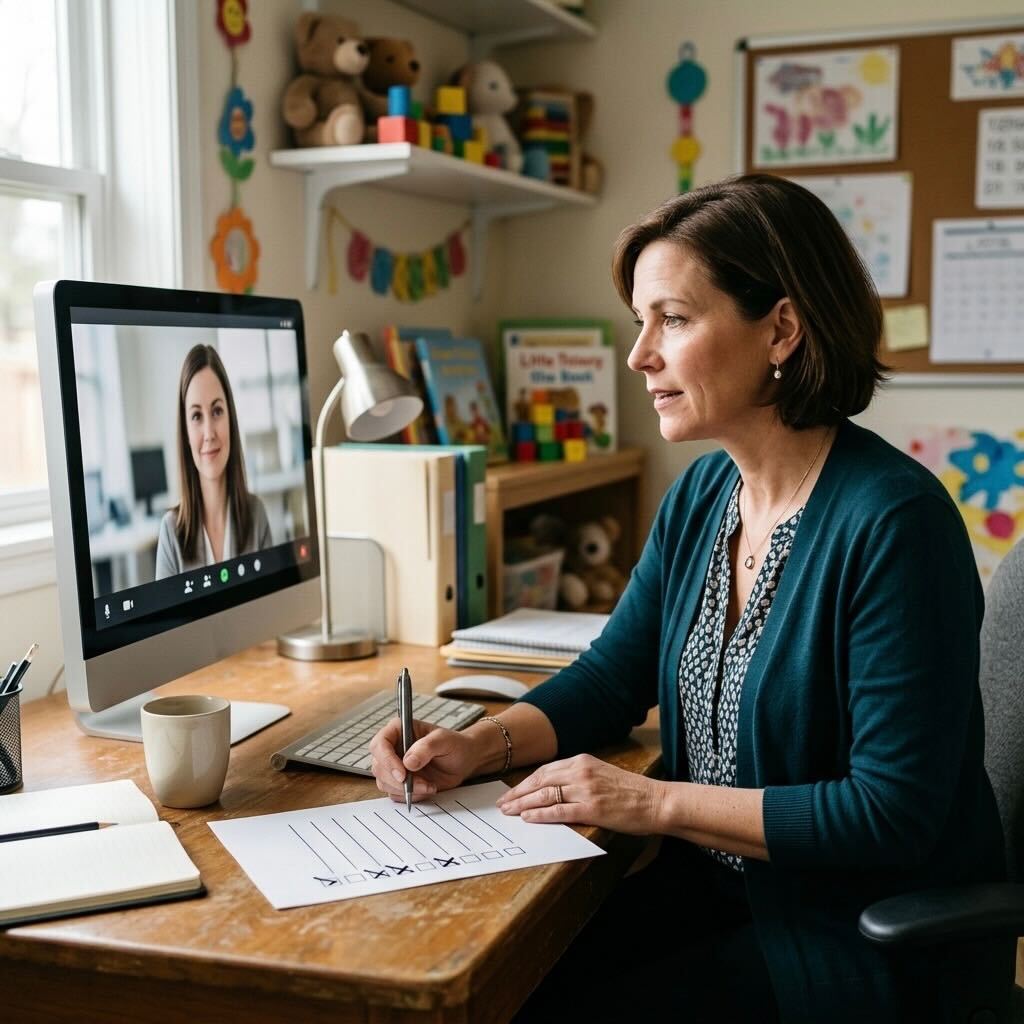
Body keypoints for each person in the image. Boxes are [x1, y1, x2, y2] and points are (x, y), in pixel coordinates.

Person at [368, 175, 1008, 1022]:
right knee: (491, 984)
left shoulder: (895, 523)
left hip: (852, 947)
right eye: (642, 322)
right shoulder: (706, 493)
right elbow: (610, 679)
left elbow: (889, 814)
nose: (639, 355)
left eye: (672, 318)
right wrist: (477, 746)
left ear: (781, 327)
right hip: (719, 900)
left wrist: (650, 803)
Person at [155, 344, 271, 579]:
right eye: (197, 416)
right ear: (186, 433)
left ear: (231, 419)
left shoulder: (257, 516)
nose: (209, 433)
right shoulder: (171, 532)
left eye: (217, 411)